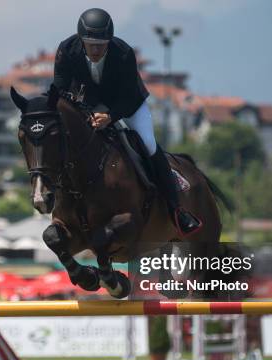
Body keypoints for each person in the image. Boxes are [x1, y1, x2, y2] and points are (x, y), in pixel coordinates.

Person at [52, 7, 201, 235]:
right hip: (87, 106)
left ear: (109, 41)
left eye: (101, 45)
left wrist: (110, 116)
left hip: (126, 105)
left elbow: (130, 95)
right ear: (81, 40)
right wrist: (82, 112)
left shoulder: (123, 53)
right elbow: (61, 89)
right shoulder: (66, 50)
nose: (95, 50)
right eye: (90, 44)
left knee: (148, 144)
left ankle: (177, 209)